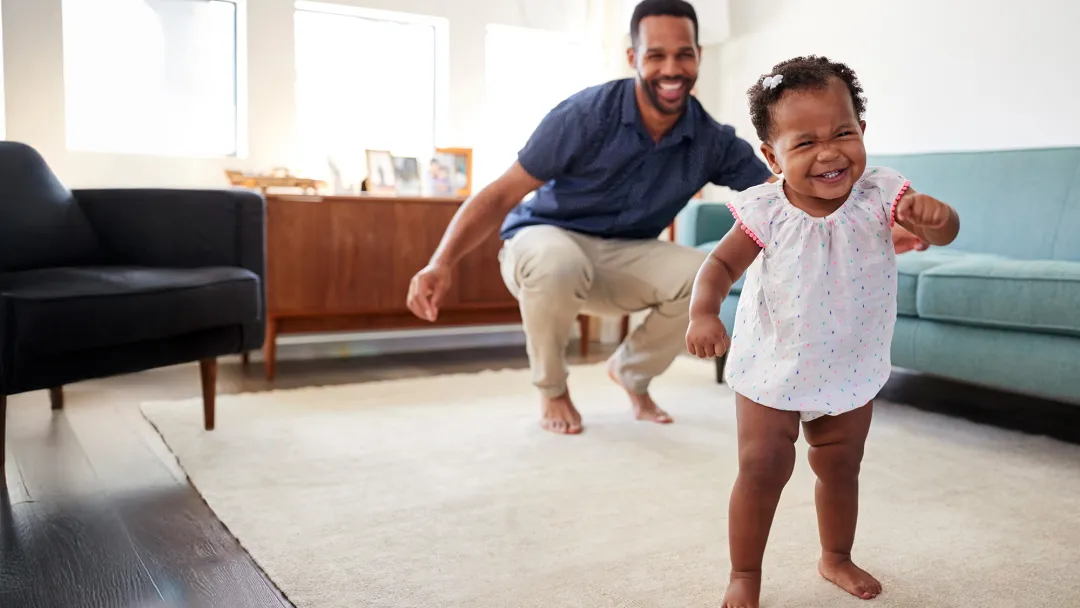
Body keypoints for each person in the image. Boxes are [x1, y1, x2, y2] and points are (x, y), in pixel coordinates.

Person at [406, 0, 926, 436]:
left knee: (700, 276)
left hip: (627, 252)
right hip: (545, 240)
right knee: (556, 262)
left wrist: (874, 222)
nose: (671, 68)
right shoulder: (586, 114)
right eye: (656, 55)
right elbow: (500, 195)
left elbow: (785, 190)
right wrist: (441, 262)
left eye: (683, 54)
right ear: (634, 56)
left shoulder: (710, 138)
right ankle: (553, 389)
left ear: (698, 56)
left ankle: (630, 373)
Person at [685, 56, 961, 608]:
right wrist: (704, 312)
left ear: (862, 131)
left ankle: (835, 555)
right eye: (804, 143)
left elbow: (943, 231)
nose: (830, 152)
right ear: (772, 156)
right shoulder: (765, 210)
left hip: (849, 360)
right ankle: (745, 574)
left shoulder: (883, 195)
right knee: (763, 465)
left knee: (840, 463)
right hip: (774, 360)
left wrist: (938, 217)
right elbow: (717, 267)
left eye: (843, 132)